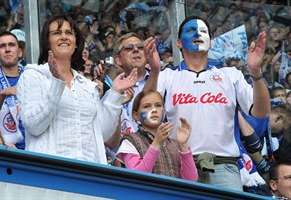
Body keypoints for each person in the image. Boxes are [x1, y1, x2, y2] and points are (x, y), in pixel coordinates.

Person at [143, 15, 270, 191]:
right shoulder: (167, 76)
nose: (197, 33)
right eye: (190, 30)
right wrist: (155, 70)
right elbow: (144, 110)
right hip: (177, 163)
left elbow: (261, 112)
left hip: (224, 166)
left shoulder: (230, 74)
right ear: (178, 42)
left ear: (210, 43)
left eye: (203, 31)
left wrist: (255, 72)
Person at [17, 14, 137, 164]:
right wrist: (57, 83)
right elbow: (33, 126)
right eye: (56, 33)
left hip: (89, 174)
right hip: (49, 174)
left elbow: (103, 134)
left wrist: (115, 93)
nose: (63, 37)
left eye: (68, 33)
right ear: (47, 42)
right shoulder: (33, 76)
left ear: (75, 43)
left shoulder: (87, 86)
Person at [116, 90, 198, 181]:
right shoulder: (130, 141)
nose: (154, 110)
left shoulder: (175, 144)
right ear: (136, 115)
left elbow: (191, 179)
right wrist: (156, 144)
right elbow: (138, 176)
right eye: (146, 106)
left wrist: (183, 145)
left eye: (158, 105)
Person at [0, 31, 25, 149]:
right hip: (5, 151)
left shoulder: (32, 78)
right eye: (2, 46)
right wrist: (1, 95)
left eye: (11, 45)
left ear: (20, 52)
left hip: (35, 149)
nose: (7, 49)